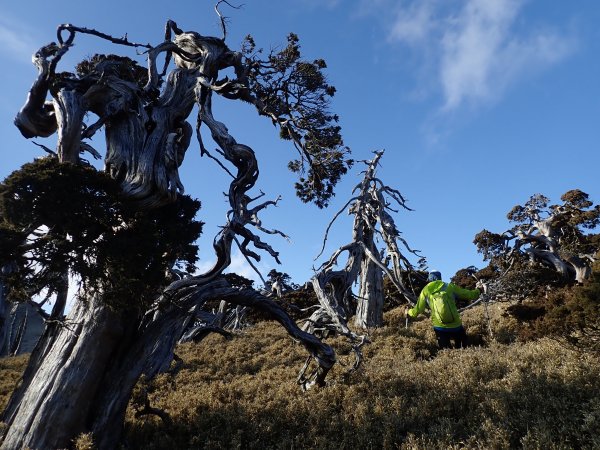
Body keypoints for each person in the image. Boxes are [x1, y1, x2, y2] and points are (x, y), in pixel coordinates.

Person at [405, 270, 483, 349]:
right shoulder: (449, 286)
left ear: (430, 278)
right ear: (440, 278)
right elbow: (469, 294)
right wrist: (479, 290)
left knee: (445, 351)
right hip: (456, 325)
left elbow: (418, 310)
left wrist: (408, 312)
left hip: (439, 327)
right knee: (463, 348)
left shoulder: (425, 291)